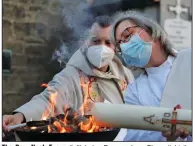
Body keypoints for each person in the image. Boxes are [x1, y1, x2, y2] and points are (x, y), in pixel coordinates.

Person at [3, 16, 134, 141]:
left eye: (108, 42)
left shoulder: (125, 75)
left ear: (116, 46)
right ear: (86, 43)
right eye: (96, 41)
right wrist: (20, 116)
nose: (102, 47)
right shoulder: (71, 75)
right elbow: (48, 99)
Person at [110, 10, 192, 141]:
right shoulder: (134, 92)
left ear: (150, 30)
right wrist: (166, 136)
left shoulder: (189, 59)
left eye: (127, 35)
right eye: (120, 44)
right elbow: (133, 137)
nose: (124, 45)